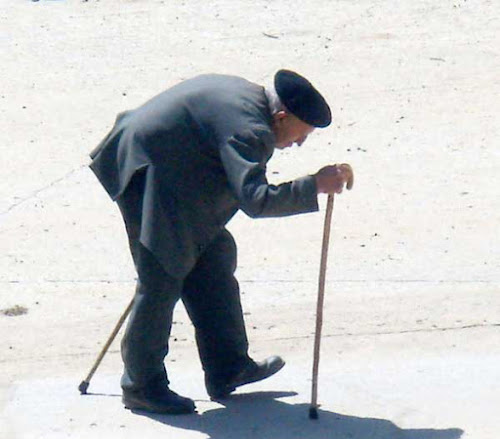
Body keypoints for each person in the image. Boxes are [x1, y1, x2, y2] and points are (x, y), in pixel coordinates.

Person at [89, 69, 352, 415]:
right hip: (145, 166)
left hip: (177, 168)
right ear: (281, 116)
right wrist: (313, 185)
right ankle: (141, 385)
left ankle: (228, 366)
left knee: (213, 257)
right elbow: (256, 200)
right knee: (163, 272)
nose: (299, 143)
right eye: (301, 133)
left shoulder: (252, 103)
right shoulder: (251, 130)